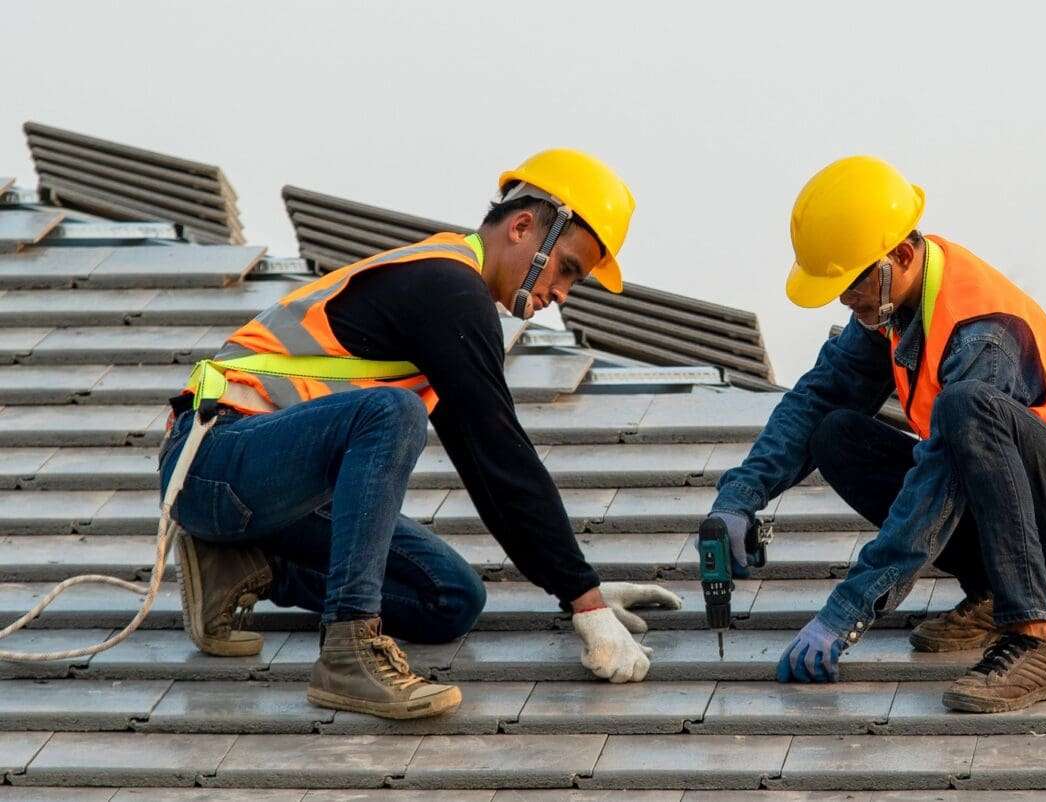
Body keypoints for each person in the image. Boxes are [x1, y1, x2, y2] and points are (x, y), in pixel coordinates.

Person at [159, 149, 678, 720]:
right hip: (213, 460)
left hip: (267, 490)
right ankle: (348, 654)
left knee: (451, 598)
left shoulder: (450, 300)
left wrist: (580, 591)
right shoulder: (448, 288)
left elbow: (488, 468)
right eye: (568, 269)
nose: (562, 294)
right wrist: (585, 600)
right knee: (395, 412)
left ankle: (243, 566)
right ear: (524, 226)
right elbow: (503, 453)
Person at [703, 156, 1046, 712]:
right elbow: (817, 398)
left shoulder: (982, 335)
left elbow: (938, 481)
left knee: (966, 407)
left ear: (899, 255)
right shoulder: (894, 303)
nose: (843, 298)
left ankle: (1038, 636)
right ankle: (1001, 589)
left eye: (850, 280)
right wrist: (739, 497)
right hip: (1021, 509)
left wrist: (848, 611)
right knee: (836, 433)